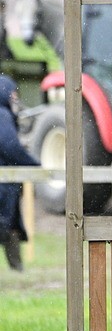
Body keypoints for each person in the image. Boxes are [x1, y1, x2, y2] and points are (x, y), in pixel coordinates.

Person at [0, 75, 37, 270]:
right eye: (12, 93)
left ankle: (17, 270)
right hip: (4, 186)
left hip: (7, 184)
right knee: (7, 225)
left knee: (11, 226)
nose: (15, 98)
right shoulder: (2, 115)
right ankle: (17, 270)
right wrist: (34, 165)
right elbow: (10, 147)